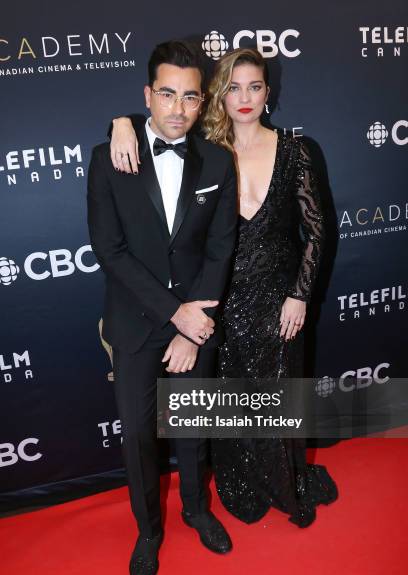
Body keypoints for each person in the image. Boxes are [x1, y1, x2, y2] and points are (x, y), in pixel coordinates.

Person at [109, 48, 338, 529]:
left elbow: (318, 231)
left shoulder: (296, 150)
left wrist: (299, 295)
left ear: (268, 94)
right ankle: (241, 482)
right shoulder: (206, 151)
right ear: (219, 96)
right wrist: (118, 122)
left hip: (279, 300)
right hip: (220, 301)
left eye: (255, 87)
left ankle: (282, 479)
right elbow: (155, 127)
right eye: (234, 87)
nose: (245, 97)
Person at [87, 40, 237, 575]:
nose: (177, 108)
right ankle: (149, 532)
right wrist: (177, 315)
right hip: (135, 325)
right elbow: (110, 251)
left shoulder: (220, 161)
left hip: (195, 326)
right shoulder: (109, 157)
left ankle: (197, 509)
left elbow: (220, 249)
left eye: (190, 97)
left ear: (202, 103)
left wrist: (193, 333)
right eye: (166, 94)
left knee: (194, 428)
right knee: (139, 438)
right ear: (147, 96)